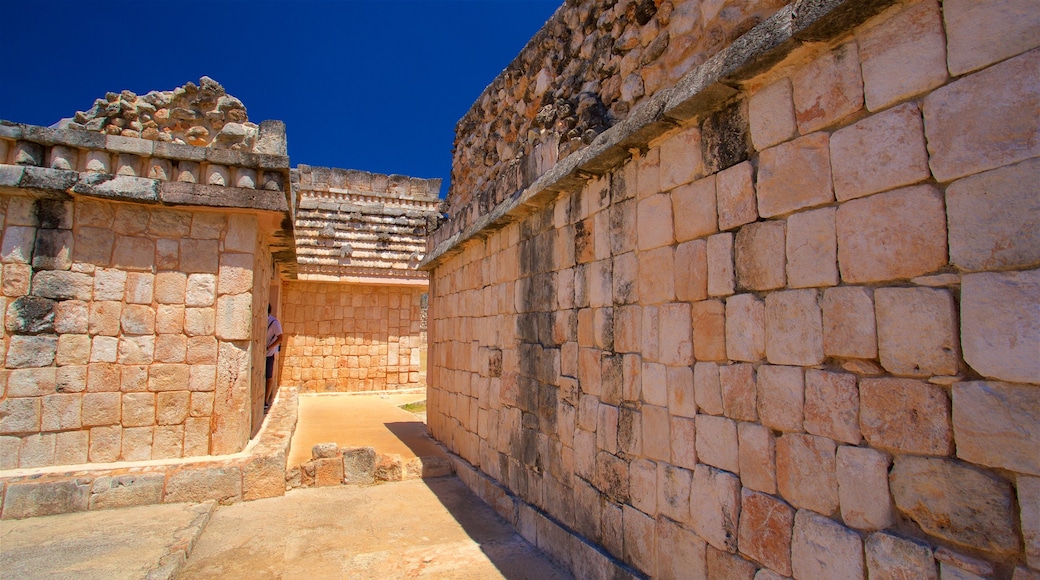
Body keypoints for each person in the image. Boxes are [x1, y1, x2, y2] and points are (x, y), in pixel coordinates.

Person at [265, 305, 283, 411]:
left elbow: (280, 338)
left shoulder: (274, 323)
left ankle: (266, 400)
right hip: (263, 351)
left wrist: (269, 347)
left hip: (269, 353)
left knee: (269, 376)